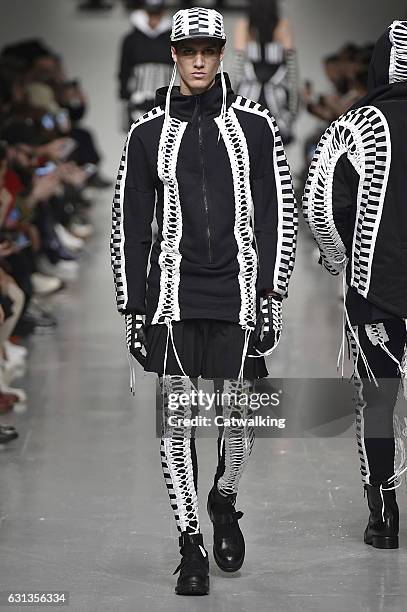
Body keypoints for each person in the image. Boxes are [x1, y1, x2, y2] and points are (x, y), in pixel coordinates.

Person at [111, 6, 297, 595]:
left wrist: (274, 292)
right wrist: (132, 307)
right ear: (174, 53)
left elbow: (277, 213)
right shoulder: (145, 134)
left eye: (208, 50)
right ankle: (190, 545)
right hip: (173, 297)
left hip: (239, 293)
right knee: (177, 422)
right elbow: (130, 223)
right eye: (187, 49)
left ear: (221, 55)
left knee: (239, 420)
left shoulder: (257, 126)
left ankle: (224, 497)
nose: (197, 59)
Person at [302, 21, 407, 550]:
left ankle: (383, 514)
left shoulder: (358, 124)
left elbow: (319, 204)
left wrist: (341, 259)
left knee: (379, 399)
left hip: (377, 288)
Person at [231, 0, 298, 144]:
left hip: (248, 98)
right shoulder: (282, 25)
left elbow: (238, 69)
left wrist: (232, 102)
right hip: (277, 100)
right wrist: (292, 110)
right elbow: (291, 71)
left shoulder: (244, 25)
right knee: (274, 152)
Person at [118, 0, 173, 131]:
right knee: (139, 140)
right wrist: (125, 97)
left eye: (157, 12)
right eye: (151, 12)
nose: (154, 18)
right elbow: (124, 71)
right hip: (137, 101)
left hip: (166, 101)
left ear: (163, 12)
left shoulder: (172, 38)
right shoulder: (131, 39)